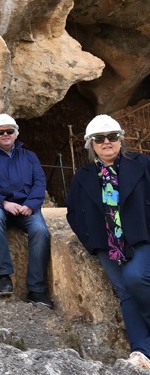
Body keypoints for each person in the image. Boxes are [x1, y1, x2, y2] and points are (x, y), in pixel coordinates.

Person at [67, 115, 150, 369]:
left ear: (120, 139)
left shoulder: (142, 164)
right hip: (107, 243)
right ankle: (142, 350)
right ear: (91, 144)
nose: (107, 142)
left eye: (112, 137)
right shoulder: (83, 176)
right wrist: (92, 242)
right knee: (125, 292)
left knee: (135, 278)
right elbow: (74, 212)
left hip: (141, 236)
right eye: (99, 139)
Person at [0, 113, 53, 308]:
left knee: (41, 231)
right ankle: (4, 277)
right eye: (0, 132)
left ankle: (36, 290)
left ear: (16, 133)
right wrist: (4, 203)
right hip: (1, 206)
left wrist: (30, 204)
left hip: (26, 206)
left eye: (9, 131)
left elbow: (39, 182)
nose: (5, 135)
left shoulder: (30, 156)